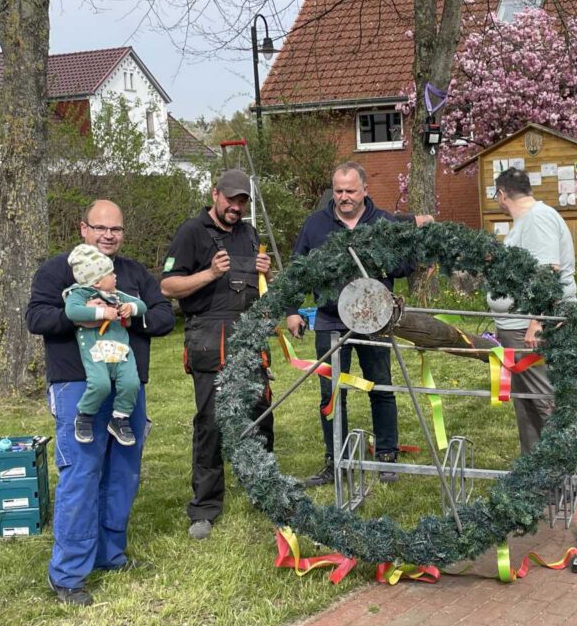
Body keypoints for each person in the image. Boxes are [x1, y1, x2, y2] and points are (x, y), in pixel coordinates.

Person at [26, 199, 175, 606]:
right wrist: (82, 315)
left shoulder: (133, 274)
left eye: (116, 229)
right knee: (82, 472)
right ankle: (70, 573)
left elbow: (164, 316)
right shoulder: (58, 270)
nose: (109, 235)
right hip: (78, 386)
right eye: (100, 228)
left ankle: (111, 555)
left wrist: (131, 313)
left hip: (127, 388)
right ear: (83, 229)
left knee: (123, 472)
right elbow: (36, 318)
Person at [285, 161, 432, 487]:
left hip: (374, 320)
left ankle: (386, 456)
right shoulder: (315, 225)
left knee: (381, 386)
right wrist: (292, 309)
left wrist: (383, 259)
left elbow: (406, 265)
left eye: (350, 190)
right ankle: (335, 460)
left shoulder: (383, 223)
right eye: (338, 191)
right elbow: (297, 269)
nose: (344, 197)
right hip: (329, 320)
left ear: (365, 190)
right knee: (331, 393)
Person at [160, 169, 274, 540]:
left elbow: (261, 293)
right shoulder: (191, 232)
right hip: (208, 336)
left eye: (242, 201)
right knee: (211, 420)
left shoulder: (249, 234)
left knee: (259, 413)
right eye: (231, 200)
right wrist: (209, 274)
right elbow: (168, 286)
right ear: (215, 195)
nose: (236, 207)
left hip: (247, 334)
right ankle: (205, 507)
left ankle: (261, 489)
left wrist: (265, 276)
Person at [485, 167, 577, 456]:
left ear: (501, 194)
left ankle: (563, 468)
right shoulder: (527, 221)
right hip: (515, 327)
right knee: (526, 402)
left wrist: (536, 322)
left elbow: (547, 271)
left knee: (543, 399)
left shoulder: (537, 219)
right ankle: (534, 472)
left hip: (528, 328)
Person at [63, 244, 148, 447]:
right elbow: (72, 312)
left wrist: (131, 307)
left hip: (120, 351)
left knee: (131, 383)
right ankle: (84, 415)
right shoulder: (80, 294)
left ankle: (120, 418)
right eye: (111, 273)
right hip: (96, 351)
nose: (115, 276)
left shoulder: (117, 295)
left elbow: (142, 306)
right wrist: (102, 313)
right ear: (97, 282)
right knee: (100, 384)